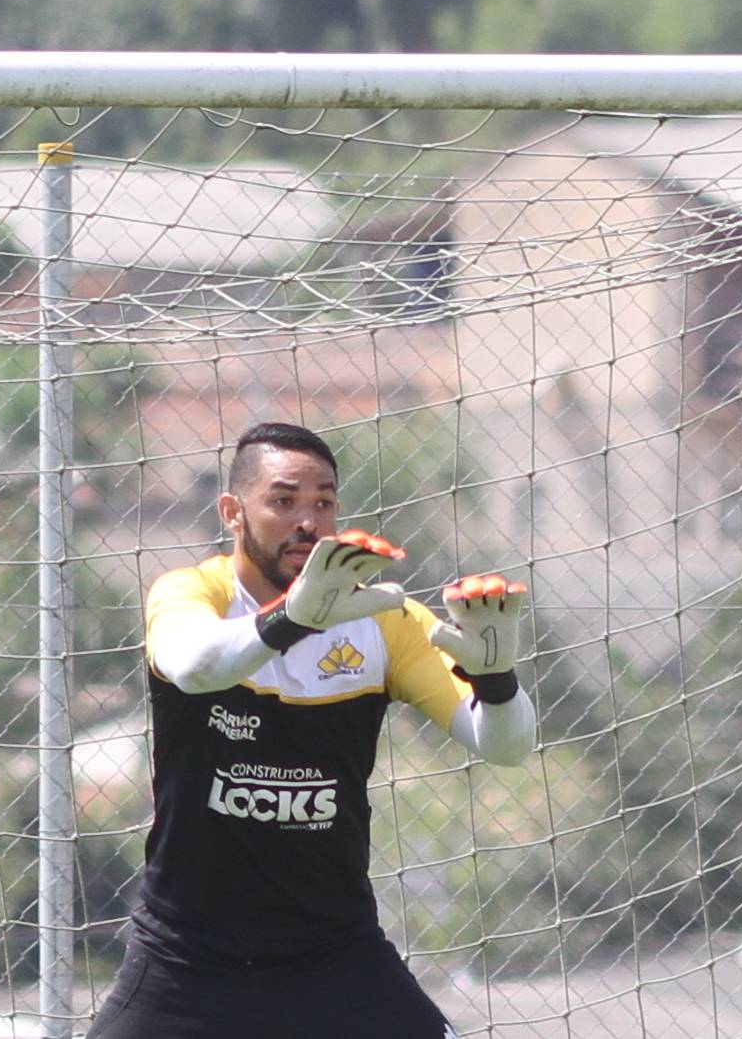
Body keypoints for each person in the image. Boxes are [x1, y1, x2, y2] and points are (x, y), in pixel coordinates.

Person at [87, 421, 536, 1039]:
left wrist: (497, 680)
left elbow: (506, 746)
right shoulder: (193, 592)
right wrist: (294, 619)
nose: (308, 521)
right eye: (283, 500)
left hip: (335, 954)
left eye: (323, 503)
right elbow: (193, 666)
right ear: (232, 512)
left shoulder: (385, 619)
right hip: (188, 960)